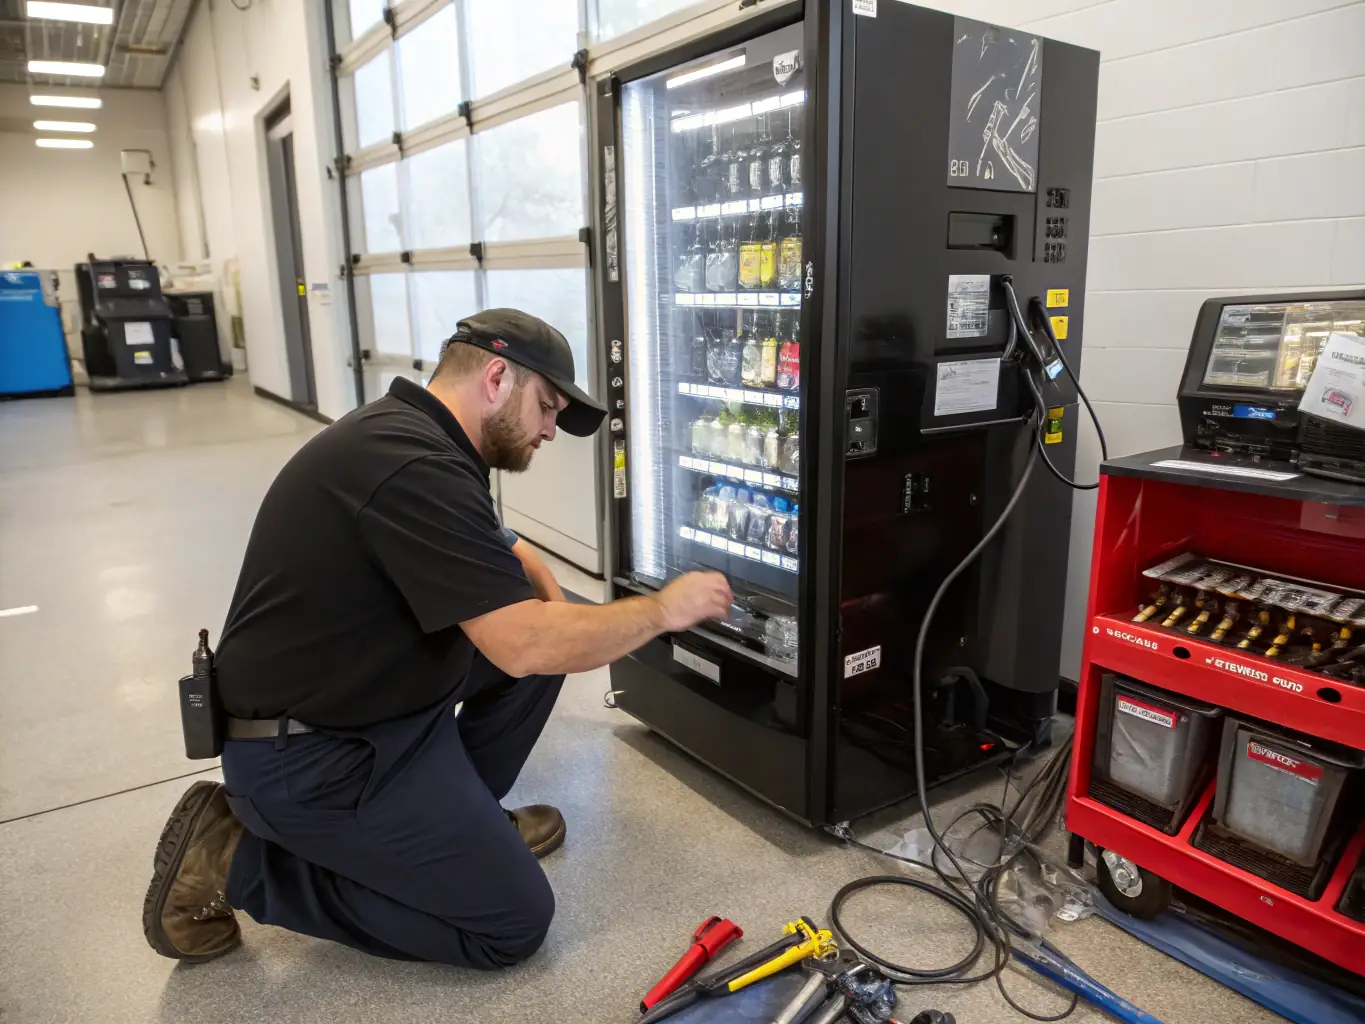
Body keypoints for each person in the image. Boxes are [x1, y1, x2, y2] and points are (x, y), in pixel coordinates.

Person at [142, 309, 732, 968]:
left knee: (548, 625)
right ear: (497, 376)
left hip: (360, 705)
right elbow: (526, 643)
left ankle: (461, 828)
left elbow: (476, 551)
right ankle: (232, 860)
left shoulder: (414, 437)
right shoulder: (411, 462)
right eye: (546, 406)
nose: (548, 430)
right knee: (511, 926)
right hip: (309, 759)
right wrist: (660, 612)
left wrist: (522, 553)